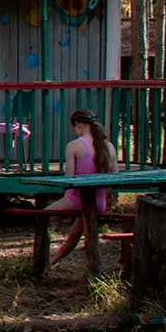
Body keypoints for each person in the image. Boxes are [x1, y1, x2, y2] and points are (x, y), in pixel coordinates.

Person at [45, 109, 119, 266]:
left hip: (76, 199)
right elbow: (115, 176)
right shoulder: (109, 147)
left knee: (42, 218)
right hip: (99, 202)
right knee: (74, 235)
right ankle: (53, 261)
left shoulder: (74, 146)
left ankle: (42, 259)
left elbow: (69, 177)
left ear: (78, 125)